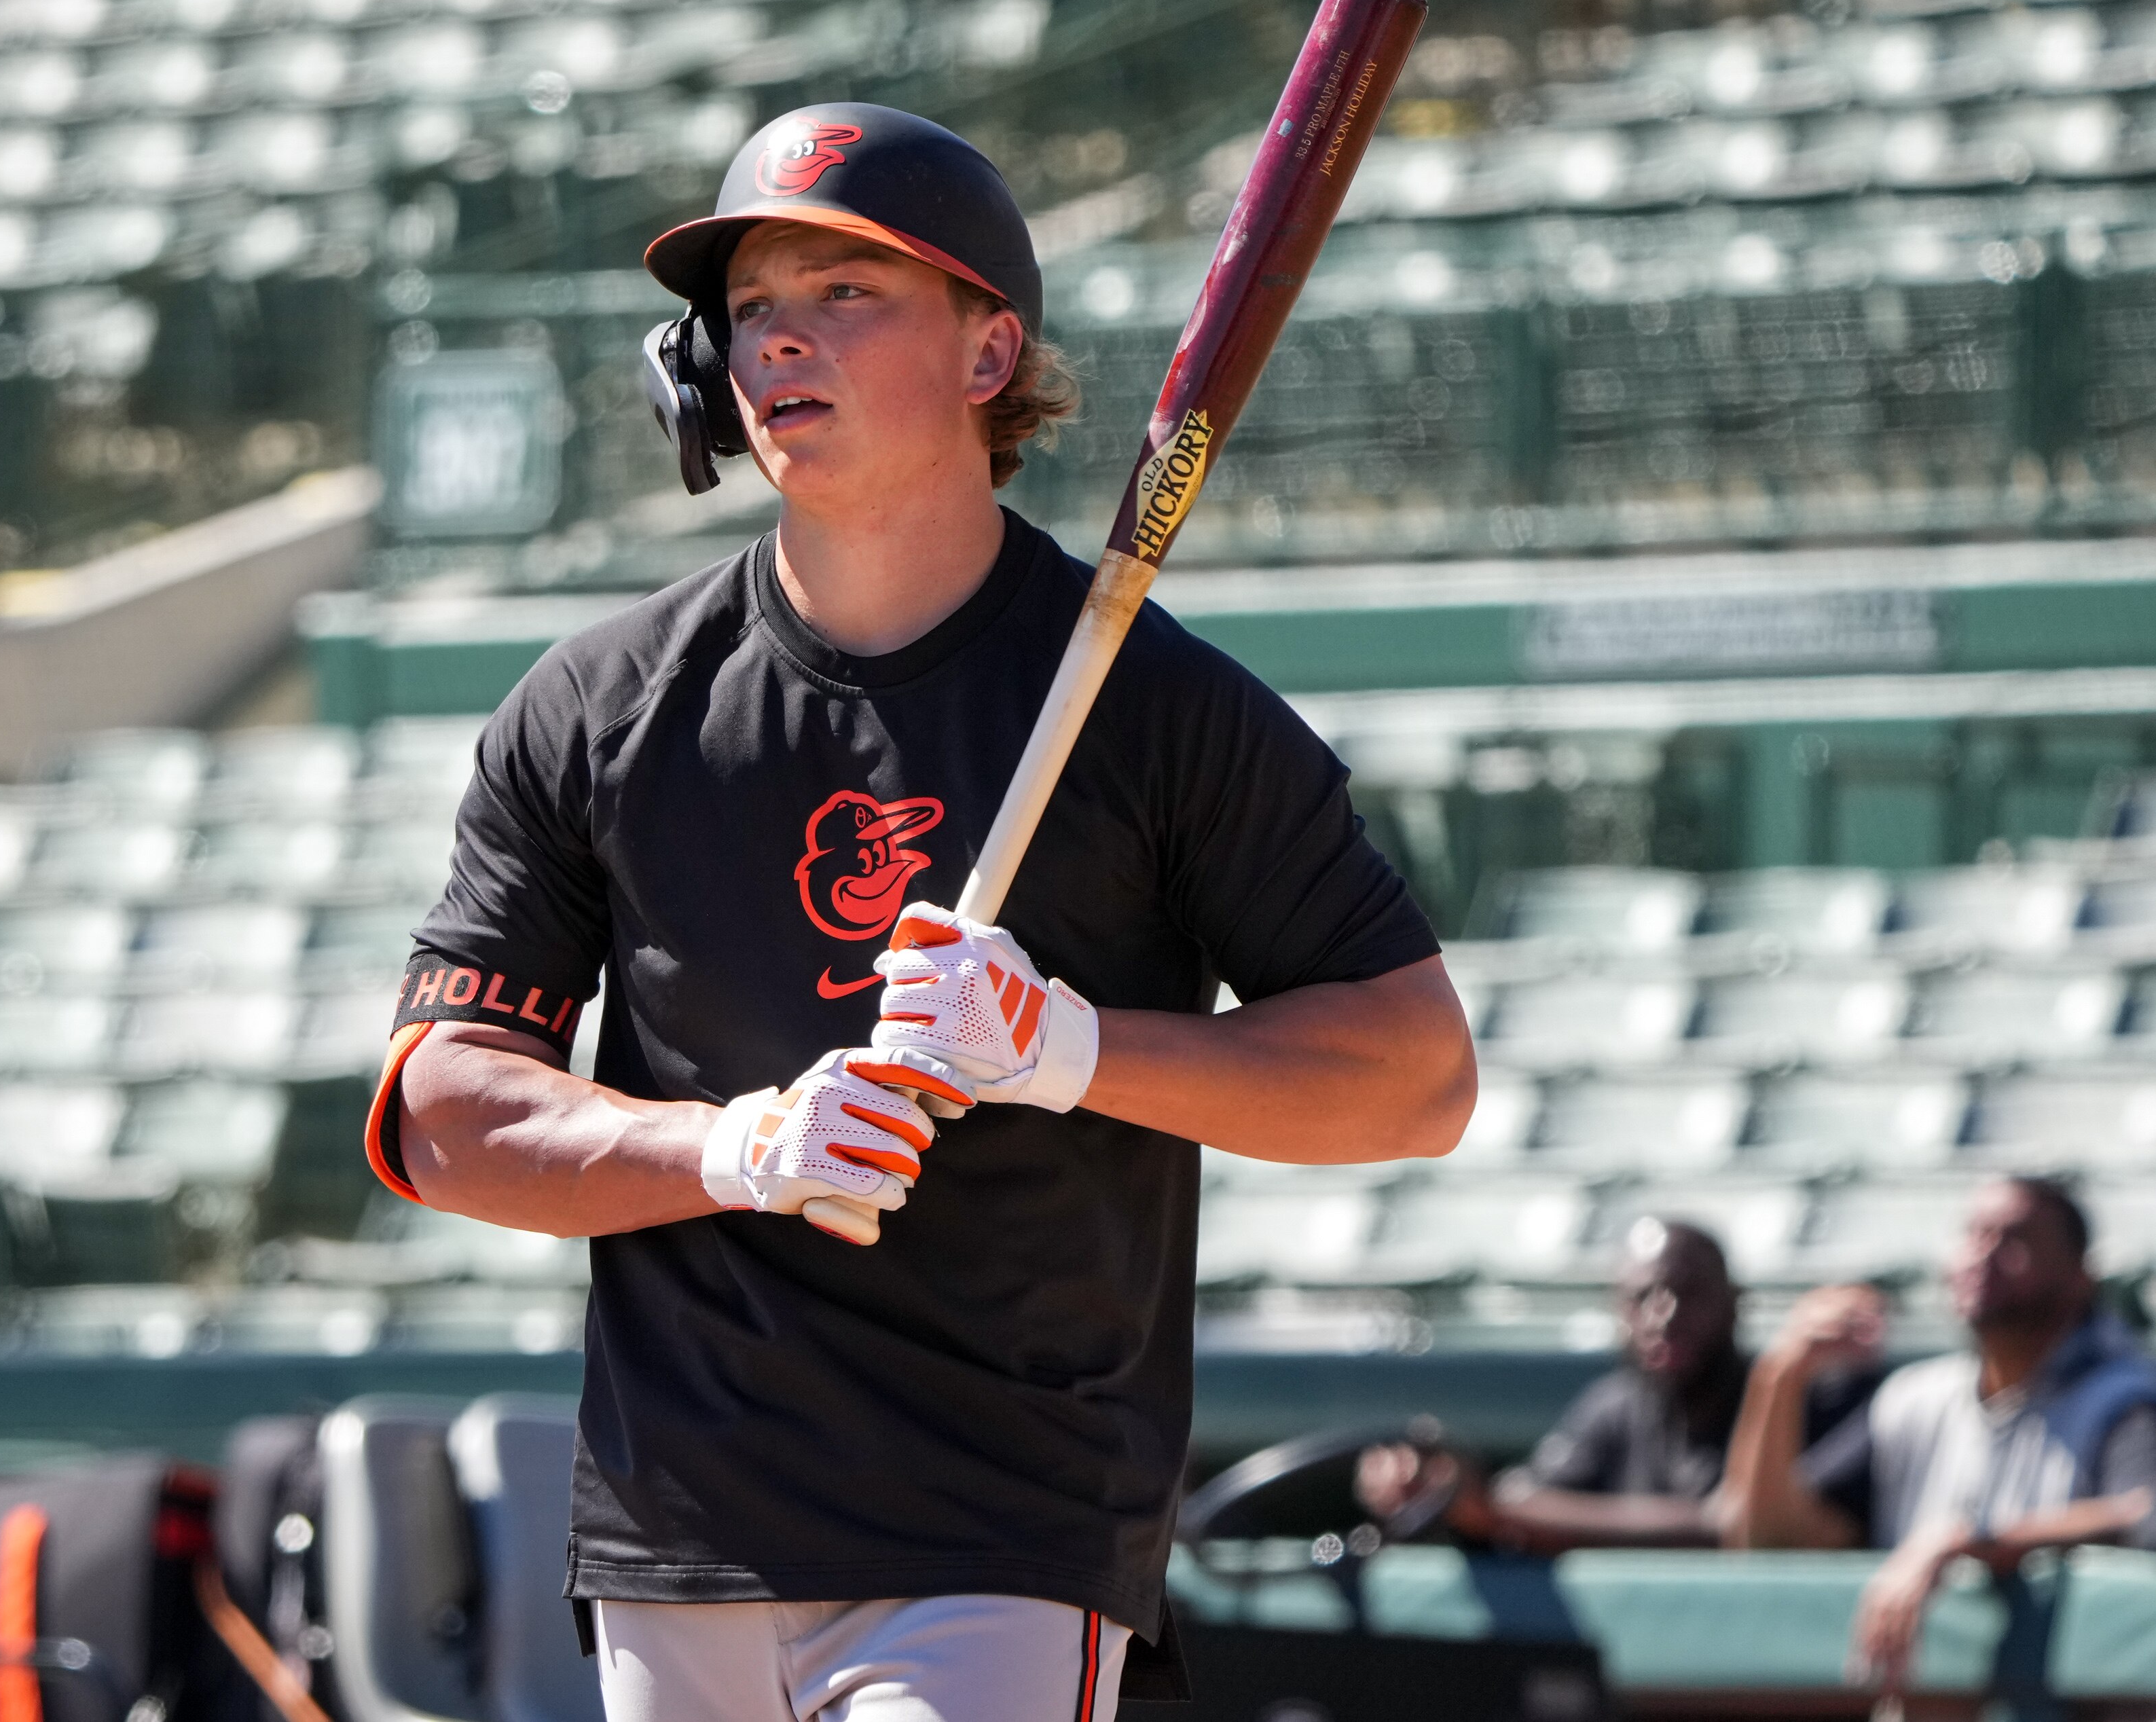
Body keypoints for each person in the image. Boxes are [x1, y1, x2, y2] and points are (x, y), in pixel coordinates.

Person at [363, 103, 1476, 1722]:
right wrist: (733, 1150)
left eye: (846, 294)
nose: (779, 343)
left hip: (1005, 1526)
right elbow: (443, 1113)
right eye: (750, 310)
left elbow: (1416, 1073)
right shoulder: (598, 706)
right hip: (680, 1534)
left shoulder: (1152, 711)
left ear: (987, 353)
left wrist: (1072, 1047)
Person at [1714, 1175, 2156, 1704]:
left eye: (2013, 1240)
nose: (1983, 1256)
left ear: (2081, 1277)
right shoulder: (1916, 1399)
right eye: (1974, 1234)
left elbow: (2140, 1513)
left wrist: (1959, 1541)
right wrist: (1779, 1377)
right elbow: (1772, 1542)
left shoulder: (2126, 1397)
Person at [1355, 1218, 1874, 1552]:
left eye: (1688, 1293)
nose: (1663, 1315)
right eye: (1642, 1297)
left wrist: (1510, 1511)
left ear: (1734, 1302)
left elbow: (1749, 1531)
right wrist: (1478, 1503)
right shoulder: (1617, 1405)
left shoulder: (1816, 1399)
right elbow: (1525, 1501)